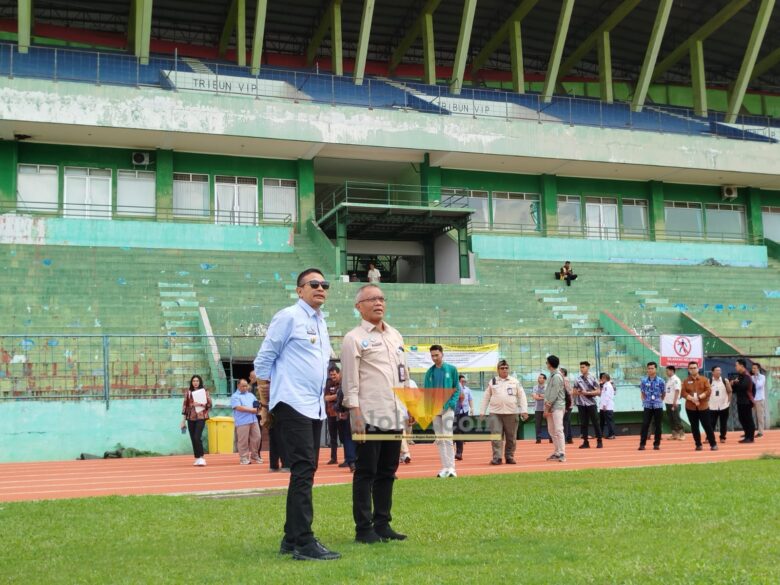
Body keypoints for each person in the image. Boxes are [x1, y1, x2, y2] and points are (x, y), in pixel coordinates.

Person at [254, 267, 339, 561]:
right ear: (299, 290)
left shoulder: (320, 322)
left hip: (312, 405)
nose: (321, 288)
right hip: (291, 402)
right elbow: (264, 360)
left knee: (306, 470)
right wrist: (266, 403)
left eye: (324, 284)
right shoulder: (289, 316)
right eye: (314, 284)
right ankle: (304, 542)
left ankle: (291, 539)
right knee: (303, 470)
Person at [341, 284, 409, 544]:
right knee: (366, 471)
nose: (378, 303)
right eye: (371, 299)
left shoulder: (395, 335)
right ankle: (364, 528)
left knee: (388, 471)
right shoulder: (354, 338)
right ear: (359, 306)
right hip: (369, 414)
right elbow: (350, 380)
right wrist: (354, 411)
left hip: (393, 413)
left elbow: (403, 374)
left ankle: (383, 523)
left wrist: (408, 404)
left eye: (381, 298)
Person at [481, 359, 529, 465]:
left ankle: (509, 456)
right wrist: (482, 412)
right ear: (498, 370)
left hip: (511, 413)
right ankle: (497, 458)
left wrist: (524, 411)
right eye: (502, 368)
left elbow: (522, 396)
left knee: (511, 437)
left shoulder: (515, 381)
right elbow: (486, 397)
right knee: (496, 436)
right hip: (495, 413)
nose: (505, 370)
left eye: (506, 368)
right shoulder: (493, 381)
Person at [425, 345, 460, 478]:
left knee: (447, 436)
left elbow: (457, 388)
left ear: (442, 354)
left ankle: (452, 468)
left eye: (436, 355)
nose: (434, 358)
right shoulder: (430, 372)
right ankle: (445, 467)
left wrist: (451, 403)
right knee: (439, 439)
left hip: (448, 408)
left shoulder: (451, 369)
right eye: (432, 356)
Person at [681, 361, 717, 452]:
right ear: (688, 370)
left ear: (698, 368)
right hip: (690, 407)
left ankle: (713, 444)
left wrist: (699, 397)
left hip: (703, 407)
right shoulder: (685, 381)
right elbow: (683, 392)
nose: (693, 369)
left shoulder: (704, 379)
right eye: (691, 368)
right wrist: (692, 399)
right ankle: (698, 444)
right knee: (694, 426)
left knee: (707, 425)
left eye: (694, 367)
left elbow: (708, 390)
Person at [180, 374, 212, 466]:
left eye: (197, 381)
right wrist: (183, 421)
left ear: (200, 382)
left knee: (197, 437)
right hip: (190, 417)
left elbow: (209, 404)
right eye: (194, 381)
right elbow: (185, 407)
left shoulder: (204, 391)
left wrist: (199, 404)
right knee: (193, 438)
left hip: (201, 417)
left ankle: (202, 457)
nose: (195, 382)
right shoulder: (188, 392)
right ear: (191, 382)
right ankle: (197, 458)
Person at [330, 365, 356, 471]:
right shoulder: (355, 383)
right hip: (357, 413)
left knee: (348, 438)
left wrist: (337, 408)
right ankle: (355, 460)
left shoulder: (343, 385)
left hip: (347, 414)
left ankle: (351, 461)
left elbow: (340, 399)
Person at [231, 378, 262, 465]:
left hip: (253, 420)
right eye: (243, 386)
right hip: (242, 421)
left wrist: (258, 405)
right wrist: (252, 410)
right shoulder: (235, 396)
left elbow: (256, 403)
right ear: (238, 386)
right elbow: (238, 407)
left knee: (257, 437)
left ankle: (254, 455)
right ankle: (243, 458)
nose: (245, 387)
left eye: (246, 386)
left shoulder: (251, 395)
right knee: (243, 440)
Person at [573, 361, 603, 449]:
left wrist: (587, 393)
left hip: (591, 403)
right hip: (581, 404)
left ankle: (599, 441)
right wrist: (578, 392)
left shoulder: (593, 378)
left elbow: (598, 391)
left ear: (588, 367)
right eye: (580, 367)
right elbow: (574, 392)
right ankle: (585, 442)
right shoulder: (577, 379)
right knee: (583, 423)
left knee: (595, 422)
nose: (581, 369)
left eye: (583, 367)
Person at [544, 355, 567, 462]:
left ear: (550, 364)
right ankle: (557, 451)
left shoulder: (557, 376)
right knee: (551, 430)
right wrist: (547, 405)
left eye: (547, 362)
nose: (546, 364)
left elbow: (554, 393)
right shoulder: (551, 376)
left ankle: (562, 452)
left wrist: (547, 406)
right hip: (550, 406)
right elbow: (548, 392)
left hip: (557, 406)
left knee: (558, 429)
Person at [638, 362, 665, 450]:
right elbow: (642, 392)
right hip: (647, 405)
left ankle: (656, 444)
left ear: (656, 369)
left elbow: (663, 393)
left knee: (658, 425)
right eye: (649, 368)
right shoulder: (644, 380)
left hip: (658, 405)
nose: (650, 370)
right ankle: (642, 444)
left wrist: (660, 400)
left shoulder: (661, 381)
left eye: (652, 368)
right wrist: (644, 400)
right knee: (645, 424)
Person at [732, 358, 755, 444]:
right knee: (742, 419)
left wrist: (735, 383)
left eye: (736, 365)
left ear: (742, 366)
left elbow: (743, 387)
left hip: (746, 401)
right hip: (740, 401)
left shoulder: (747, 376)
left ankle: (750, 437)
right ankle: (747, 435)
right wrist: (733, 383)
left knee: (748, 419)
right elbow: (735, 389)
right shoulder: (740, 376)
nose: (735, 367)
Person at [709, 366, 732, 444]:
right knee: (711, 423)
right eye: (717, 370)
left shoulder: (725, 380)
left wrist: (728, 402)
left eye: (720, 370)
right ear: (713, 372)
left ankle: (722, 437)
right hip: (712, 406)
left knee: (723, 423)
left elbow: (729, 391)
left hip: (724, 406)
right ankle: (709, 437)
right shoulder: (709, 381)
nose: (719, 372)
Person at [454, 375, 474, 461]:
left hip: (463, 411)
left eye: (464, 381)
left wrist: (472, 408)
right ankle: (457, 450)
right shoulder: (452, 387)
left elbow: (470, 399)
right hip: (452, 412)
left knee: (460, 429)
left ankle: (459, 451)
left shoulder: (467, 389)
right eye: (462, 381)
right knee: (456, 430)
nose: (463, 383)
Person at [324, 365, 341, 465]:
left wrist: (334, 397)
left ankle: (349, 459)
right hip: (330, 413)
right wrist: (337, 396)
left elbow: (343, 396)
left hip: (341, 414)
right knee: (333, 437)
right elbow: (326, 398)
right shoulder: (328, 383)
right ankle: (333, 458)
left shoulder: (342, 382)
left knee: (344, 437)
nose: (332, 376)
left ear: (338, 373)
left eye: (334, 374)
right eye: (331, 375)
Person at [664, 365, 684, 440]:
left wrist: (675, 402)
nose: (666, 372)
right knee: (671, 419)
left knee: (676, 418)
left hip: (674, 403)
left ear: (672, 371)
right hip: (668, 402)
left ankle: (682, 434)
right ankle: (674, 434)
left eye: (667, 371)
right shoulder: (669, 380)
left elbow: (677, 390)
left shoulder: (676, 379)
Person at [248, 371, 264, 463]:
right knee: (247, 436)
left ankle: (257, 454)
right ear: (250, 378)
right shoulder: (247, 388)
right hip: (248, 414)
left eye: (257, 377)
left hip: (259, 414)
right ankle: (246, 455)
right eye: (253, 377)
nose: (256, 379)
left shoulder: (261, 387)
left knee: (258, 435)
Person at [531, 373, 551, 444]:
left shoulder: (548, 387)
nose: (539, 379)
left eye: (541, 378)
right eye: (539, 378)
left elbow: (548, 397)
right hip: (537, 409)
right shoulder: (535, 387)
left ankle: (551, 438)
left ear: (544, 379)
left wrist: (540, 395)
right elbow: (535, 397)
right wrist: (543, 396)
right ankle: (538, 439)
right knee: (538, 425)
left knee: (549, 424)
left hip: (546, 408)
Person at [751, 363, 767, 438]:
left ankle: (760, 432)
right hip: (752, 400)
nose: (753, 369)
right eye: (752, 368)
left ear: (758, 369)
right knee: (751, 416)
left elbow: (759, 386)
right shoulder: (751, 377)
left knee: (760, 416)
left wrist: (756, 377)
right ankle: (750, 431)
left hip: (759, 399)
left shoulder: (762, 377)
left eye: (755, 368)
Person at [599, 373, 616, 439]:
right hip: (606, 405)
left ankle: (611, 434)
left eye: (602, 378)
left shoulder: (607, 386)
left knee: (609, 421)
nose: (601, 379)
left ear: (605, 378)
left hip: (607, 406)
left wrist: (604, 405)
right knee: (608, 421)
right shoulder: (606, 385)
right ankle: (611, 434)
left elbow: (607, 396)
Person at [560, 367, 574, 444]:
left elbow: (567, 393)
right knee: (567, 421)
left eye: (560, 371)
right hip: (568, 403)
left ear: (563, 373)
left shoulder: (564, 380)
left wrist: (566, 405)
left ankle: (564, 439)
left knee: (565, 421)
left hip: (567, 403)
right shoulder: (566, 379)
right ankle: (569, 438)